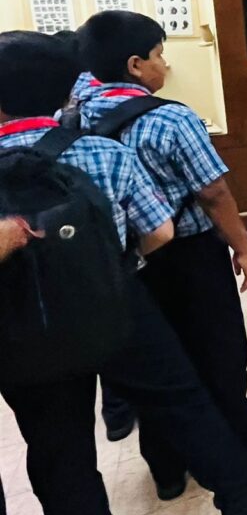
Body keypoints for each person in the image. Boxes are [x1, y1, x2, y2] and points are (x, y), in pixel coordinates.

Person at [0, 31, 247, 515]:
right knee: (183, 402)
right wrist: (120, 264)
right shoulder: (101, 152)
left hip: (23, 323)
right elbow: (160, 230)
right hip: (114, 299)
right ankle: (243, 504)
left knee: (57, 446)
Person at [74, 11, 247, 501]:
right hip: (189, 257)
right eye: (159, 54)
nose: (164, 64)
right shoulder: (170, 118)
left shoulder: (75, 115)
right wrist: (241, 244)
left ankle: (167, 469)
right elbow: (214, 193)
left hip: (125, 263)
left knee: (158, 365)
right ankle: (242, 444)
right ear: (135, 64)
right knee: (220, 353)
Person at [53, 30, 137, 441]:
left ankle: (116, 412)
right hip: (118, 247)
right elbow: (159, 227)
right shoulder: (111, 103)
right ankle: (123, 406)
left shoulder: (66, 112)